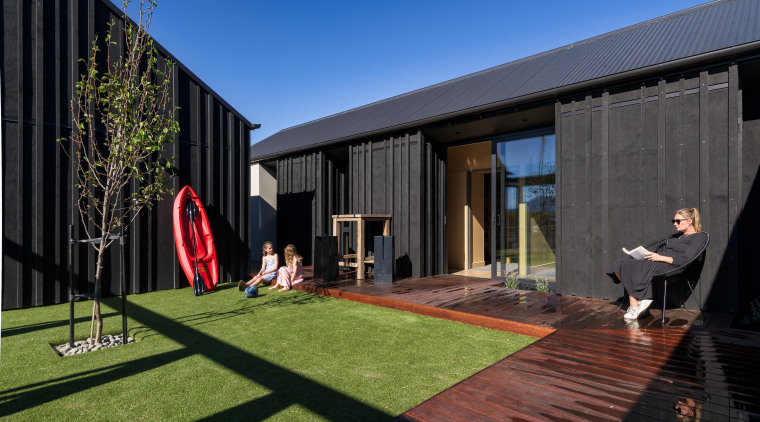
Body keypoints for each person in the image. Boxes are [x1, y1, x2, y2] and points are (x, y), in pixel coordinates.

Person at [608, 208, 707, 320]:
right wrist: (650, 255)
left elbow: (685, 259)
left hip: (673, 266)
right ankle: (638, 301)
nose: (675, 224)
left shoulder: (699, 237)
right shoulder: (678, 236)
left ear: (690, 221)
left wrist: (660, 257)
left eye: (678, 221)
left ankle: (635, 305)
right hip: (659, 261)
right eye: (673, 221)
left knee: (632, 266)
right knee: (619, 264)